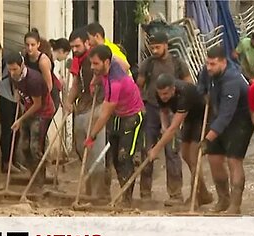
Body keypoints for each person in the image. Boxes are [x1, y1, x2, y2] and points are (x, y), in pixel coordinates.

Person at [136, 32, 193, 206]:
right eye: (152, 47)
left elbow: (189, 84)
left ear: (166, 45)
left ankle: (175, 194)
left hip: (173, 111)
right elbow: (138, 85)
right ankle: (145, 193)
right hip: (151, 110)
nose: (154, 50)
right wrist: (140, 107)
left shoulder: (178, 64)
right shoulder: (147, 64)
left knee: (172, 151)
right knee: (148, 149)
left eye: (157, 47)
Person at [84, 45, 144, 207]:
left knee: (124, 158)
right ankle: (124, 194)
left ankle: (127, 200)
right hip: (119, 115)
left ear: (106, 62)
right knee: (116, 160)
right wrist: (94, 81)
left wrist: (92, 136)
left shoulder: (115, 83)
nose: (92, 67)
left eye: (96, 64)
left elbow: (105, 113)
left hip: (132, 116)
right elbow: (120, 62)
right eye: (91, 63)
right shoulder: (113, 64)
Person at [198, 46, 254, 214]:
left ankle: (235, 205)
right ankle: (223, 199)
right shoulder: (208, 71)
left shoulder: (232, 80)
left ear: (223, 62)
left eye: (213, 64)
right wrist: (204, 93)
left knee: (233, 160)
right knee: (214, 159)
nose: (209, 67)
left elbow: (226, 116)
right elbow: (200, 87)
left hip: (240, 121)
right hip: (218, 115)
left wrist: (207, 140)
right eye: (207, 63)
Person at [147, 74, 213, 207]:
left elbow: (174, 128)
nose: (163, 97)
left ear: (173, 89)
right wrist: (164, 126)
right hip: (189, 118)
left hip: (202, 117)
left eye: (166, 93)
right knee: (186, 155)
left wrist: (156, 149)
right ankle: (204, 193)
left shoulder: (184, 94)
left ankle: (196, 196)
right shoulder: (159, 93)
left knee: (194, 157)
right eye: (161, 94)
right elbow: (164, 111)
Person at [63, 27, 111, 201]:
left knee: (96, 149)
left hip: (98, 105)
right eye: (72, 47)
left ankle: (99, 193)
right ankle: (90, 189)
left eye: (77, 46)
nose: (74, 50)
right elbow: (76, 83)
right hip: (83, 106)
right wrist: (68, 101)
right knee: (81, 147)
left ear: (87, 43)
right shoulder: (77, 59)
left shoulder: (97, 56)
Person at [7, 51, 55, 191]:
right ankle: (33, 173)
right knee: (24, 147)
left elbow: (38, 104)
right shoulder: (14, 76)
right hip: (29, 109)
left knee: (35, 147)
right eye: (9, 69)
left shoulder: (34, 79)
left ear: (22, 65)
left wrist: (20, 120)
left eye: (15, 69)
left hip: (42, 112)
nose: (12, 72)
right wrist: (17, 95)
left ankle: (39, 180)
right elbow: (19, 90)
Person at [23, 28, 60, 113]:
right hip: (33, 97)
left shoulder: (42, 61)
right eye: (27, 45)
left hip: (48, 97)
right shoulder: (25, 58)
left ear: (38, 44)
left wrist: (41, 102)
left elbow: (49, 85)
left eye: (33, 45)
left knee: (39, 125)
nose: (30, 48)